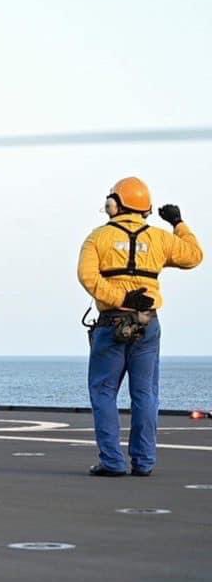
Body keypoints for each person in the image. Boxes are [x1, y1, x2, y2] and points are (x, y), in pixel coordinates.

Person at [78, 177, 202, 476]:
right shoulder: (159, 238)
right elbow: (193, 256)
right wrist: (179, 222)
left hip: (112, 323)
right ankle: (144, 462)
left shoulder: (98, 237)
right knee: (145, 393)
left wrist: (119, 296)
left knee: (104, 391)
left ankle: (112, 461)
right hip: (148, 324)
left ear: (114, 204)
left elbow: (87, 277)